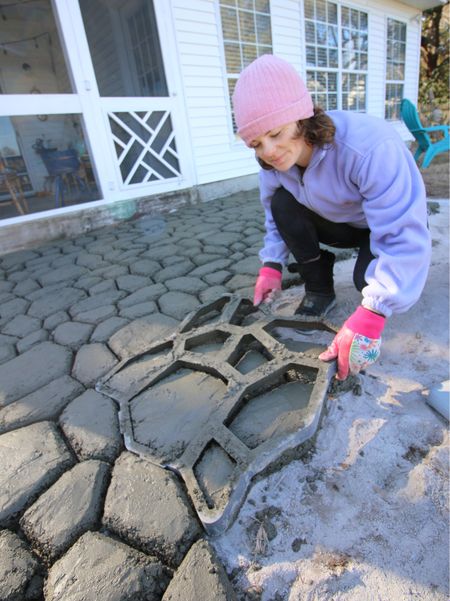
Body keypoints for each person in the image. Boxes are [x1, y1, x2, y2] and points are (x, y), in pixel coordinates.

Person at [232, 54, 431, 380]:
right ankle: (319, 288)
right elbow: (274, 216)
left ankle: (381, 279)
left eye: (276, 133)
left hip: (386, 223)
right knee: (283, 203)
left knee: (366, 285)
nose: (268, 150)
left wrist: (373, 311)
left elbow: (402, 231)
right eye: (256, 143)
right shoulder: (274, 163)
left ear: (301, 118)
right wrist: (271, 265)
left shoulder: (369, 146)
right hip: (340, 222)